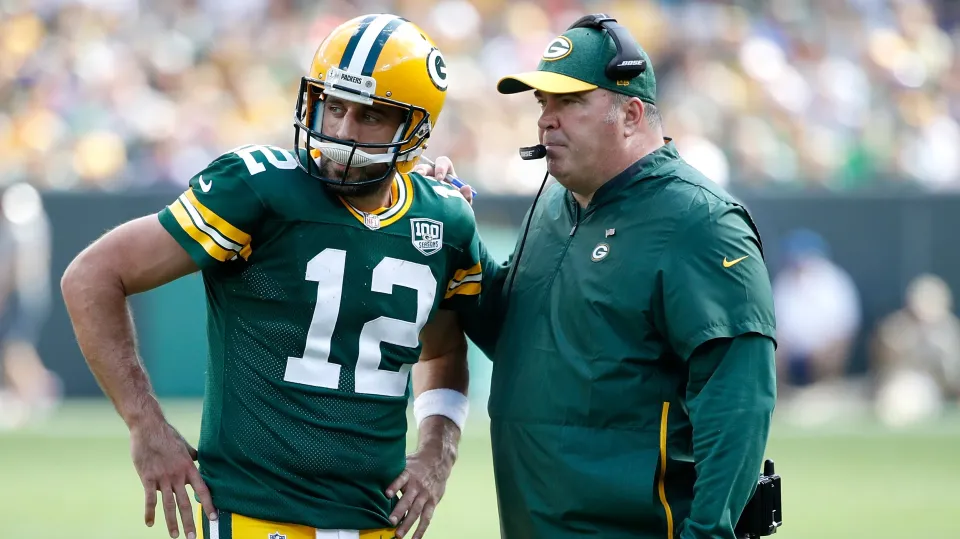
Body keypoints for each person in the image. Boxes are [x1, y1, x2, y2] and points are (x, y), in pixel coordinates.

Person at [61, 14, 482, 539]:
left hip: (377, 522)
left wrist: (439, 447)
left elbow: (443, 350)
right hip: (255, 516)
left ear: (413, 130)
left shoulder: (444, 220)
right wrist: (145, 425)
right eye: (335, 106)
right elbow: (92, 275)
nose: (342, 133)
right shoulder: (258, 189)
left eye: (371, 116)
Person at [419, 15, 778, 539]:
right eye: (542, 103)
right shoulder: (554, 202)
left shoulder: (701, 222)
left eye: (569, 102)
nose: (546, 120)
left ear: (630, 113)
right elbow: (515, 332)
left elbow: (738, 402)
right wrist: (453, 232)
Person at [0, 182, 59, 429]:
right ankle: (35, 391)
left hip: (20, 294)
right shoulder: (36, 226)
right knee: (17, 345)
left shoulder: (20, 229)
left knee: (14, 346)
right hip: (32, 293)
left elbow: (12, 267)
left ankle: (39, 392)